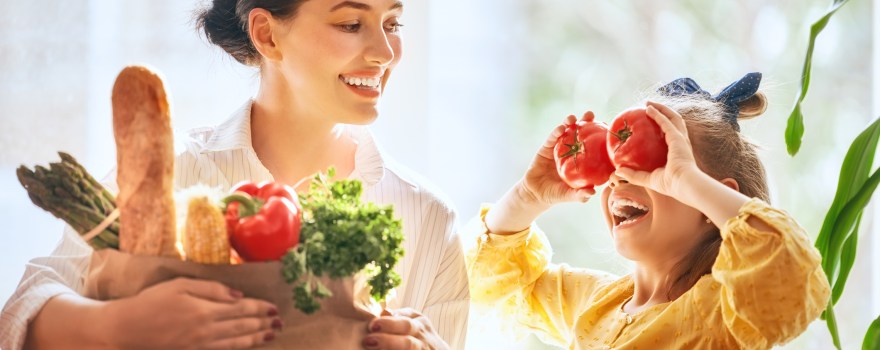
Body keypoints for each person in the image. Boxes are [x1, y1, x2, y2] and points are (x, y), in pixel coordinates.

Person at [0, 1, 468, 349]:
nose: (385, 52)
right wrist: (121, 326)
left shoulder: (427, 217)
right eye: (351, 23)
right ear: (266, 35)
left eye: (393, 24)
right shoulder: (175, 174)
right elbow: (18, 314)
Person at [466, 73, 831, 349]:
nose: (619, 178)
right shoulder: (595, 303)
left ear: (710, 202)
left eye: (658, 167)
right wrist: (528, 196)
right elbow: (489, 286)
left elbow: (794, 278)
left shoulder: (721, 313)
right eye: (616, 161)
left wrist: (687, 181)